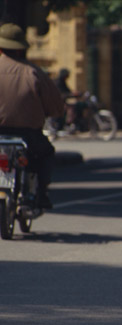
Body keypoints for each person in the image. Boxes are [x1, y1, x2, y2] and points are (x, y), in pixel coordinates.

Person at [0, 23, 64, 209]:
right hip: (27, 135)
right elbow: (55, 105)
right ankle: (41, 194)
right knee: (45, 154)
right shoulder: (33, 72)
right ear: (21, 50)